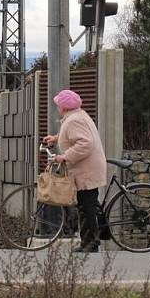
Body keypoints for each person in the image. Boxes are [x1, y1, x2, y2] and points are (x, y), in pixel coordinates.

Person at [42, 89, 107, 252]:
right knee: (88, 205)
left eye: (58, 104)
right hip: (88, 168)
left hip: (86, 170)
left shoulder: (73, 120)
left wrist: (65, 156)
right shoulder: (78, 116)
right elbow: (72, 135)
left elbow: (85, 144)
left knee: (86, 207)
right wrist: (56, 138)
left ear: (64, 107)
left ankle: (90, 244)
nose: (57, 107)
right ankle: (92, 239)